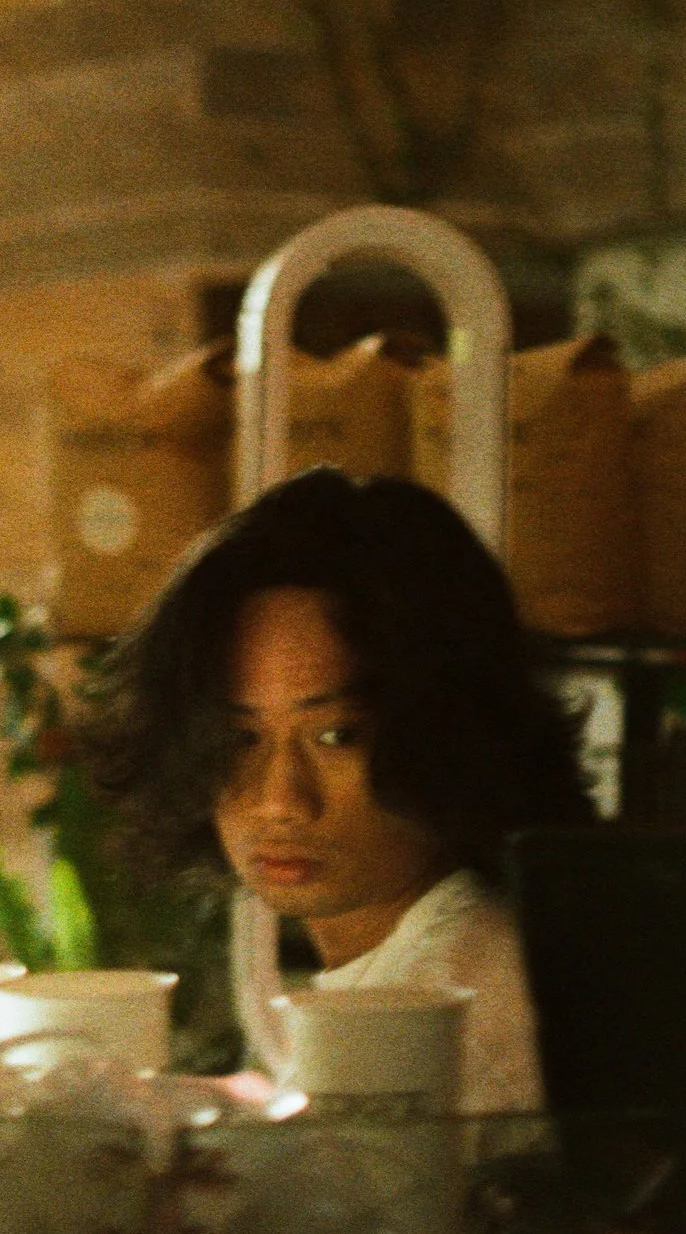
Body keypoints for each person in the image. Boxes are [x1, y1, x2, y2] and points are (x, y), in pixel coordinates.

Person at [82, 467, 594, 1112]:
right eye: (240, 739)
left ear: (446, 732)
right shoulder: (415, 970)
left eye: (337, 736)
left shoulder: (452, 1006)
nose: (280, 800)